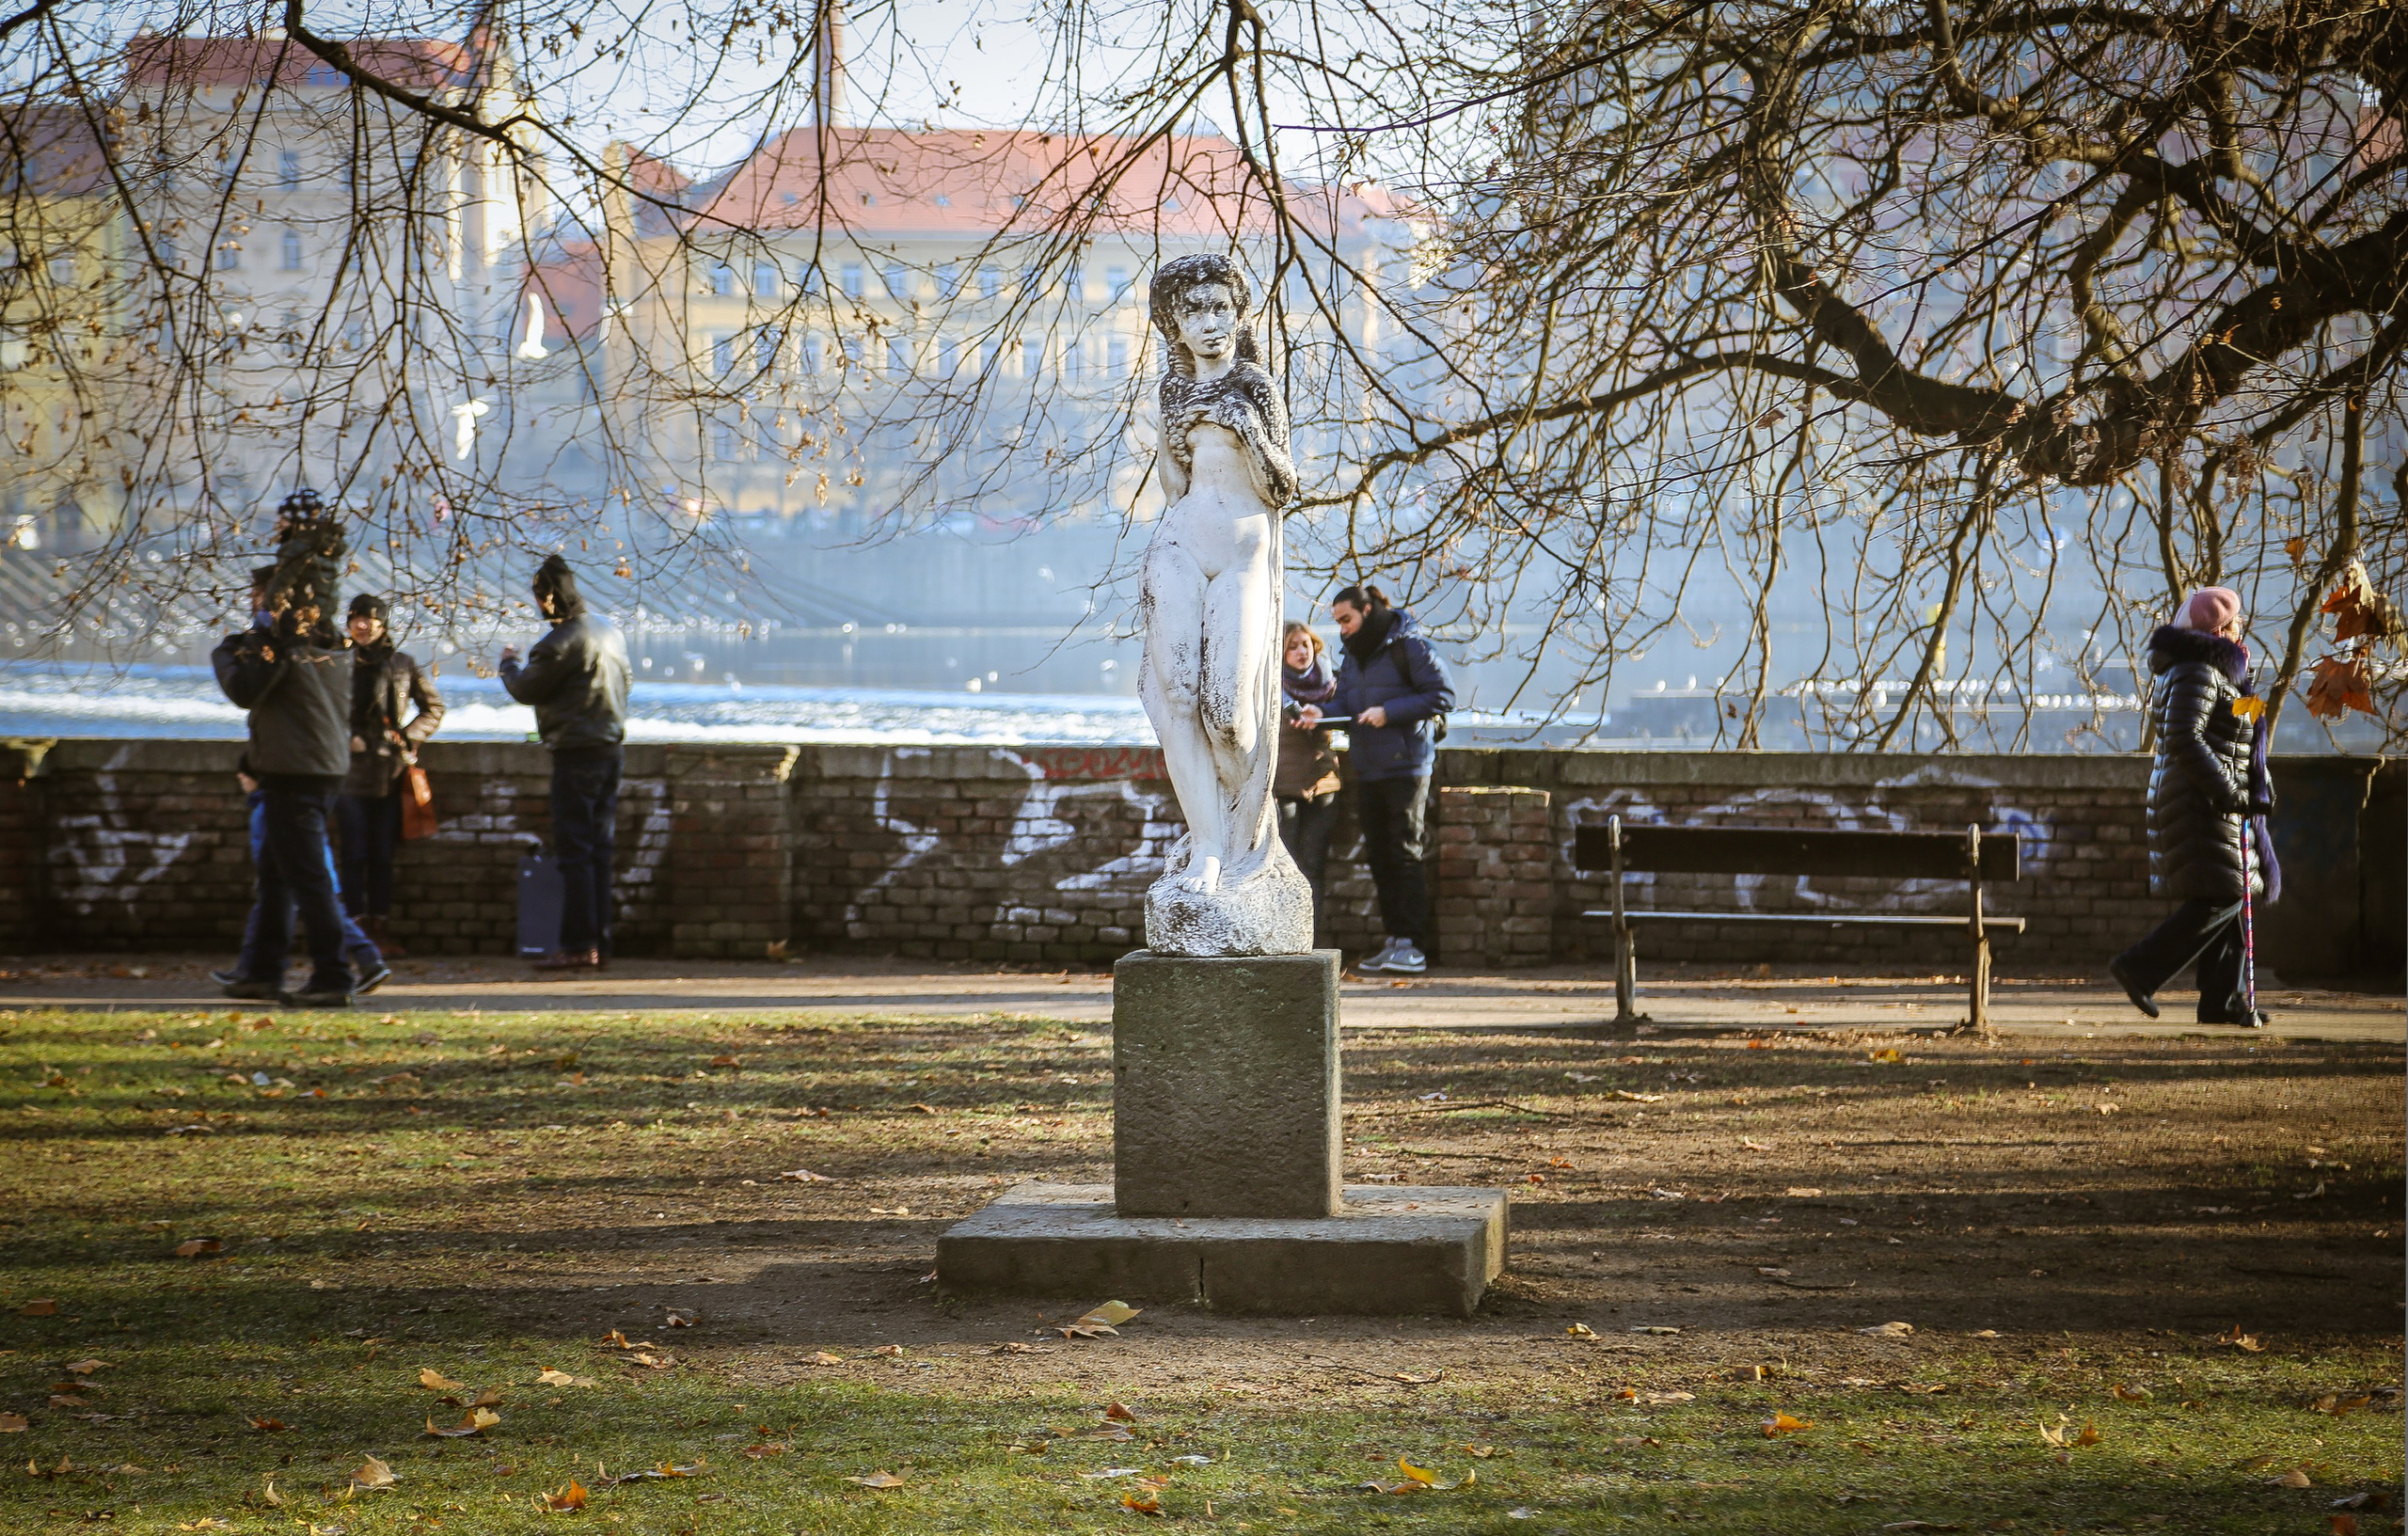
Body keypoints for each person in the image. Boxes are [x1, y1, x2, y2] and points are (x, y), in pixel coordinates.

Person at [2110, 586, 2279, 1027]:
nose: (2243, 626)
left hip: (2208, 798)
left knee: (2225, 894)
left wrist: (2257, 783)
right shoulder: (2198, 671)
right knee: (2224, 894)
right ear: (2220, 628)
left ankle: (2223, 1002)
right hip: (2201, 801)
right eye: (2237, 620)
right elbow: (2185, 737)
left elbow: (2240, 741)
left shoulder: (2219, 672)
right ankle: (2140, 967)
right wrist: (2228, 791)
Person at [210, 543, 358, 1006]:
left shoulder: (284, 646)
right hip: (315, 767)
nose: (255, 604)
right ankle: (261, 970)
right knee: (277, 876)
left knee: (309, 878)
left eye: (261, 596)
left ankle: (334, 976)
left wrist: (235, 649)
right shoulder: (327, 639)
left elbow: (246, 690)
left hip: (295, 772)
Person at [1300, 583, 1454, 974]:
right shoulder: (1353, 656)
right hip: (1367, 767)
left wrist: (1389, 711)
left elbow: (1443, 696)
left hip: (1407, 765)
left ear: (1367, 611)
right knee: (1380, 856)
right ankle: (1395, 941)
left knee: (1404, 851)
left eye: (1347, 620)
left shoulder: (1412, 647)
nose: (1343, 629)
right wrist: (1321, 712)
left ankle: (1413, 945)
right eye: (1337, 623)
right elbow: (1347, 704)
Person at [499, 555, 631, 972]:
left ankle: (577, 945)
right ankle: (601, 944)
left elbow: (526, 689)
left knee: (574, 852)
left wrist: (507, 664)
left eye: (539, 598)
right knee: (599, 851)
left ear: (549, 598)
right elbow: (626, 680)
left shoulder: (556, 644)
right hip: (611, 749)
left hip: (576, 754)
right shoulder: (609, 630)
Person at [212, 762, 390, 997]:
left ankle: (367, 959)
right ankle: (250, 969)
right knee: (304, 913)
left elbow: (276, 847)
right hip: (305, 874)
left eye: (245, 776)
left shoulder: (270, 809)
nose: (241, 779)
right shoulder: (274, 806)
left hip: (298, 875)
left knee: (300, 913)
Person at [339, 593, 444, 955]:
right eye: (357, 618)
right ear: (349, 622)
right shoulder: (336, 662)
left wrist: (408, 737)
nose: (363, 625)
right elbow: (318, 710)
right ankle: (354, 932)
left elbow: (433, 707)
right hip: (349, 772)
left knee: (382, 855)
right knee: (352, 854)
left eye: (371, 619)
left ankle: (379, 930)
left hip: (390, 772)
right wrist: (344, 738)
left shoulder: (402, 664)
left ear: (382, 624)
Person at [1275, 620, 1342, 923]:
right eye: (1292, 647)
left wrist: (1325, 716)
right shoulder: (1269, 686)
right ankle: (1283, 929)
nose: (1302, 652)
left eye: (1306, 644)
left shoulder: (1330, 683)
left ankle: (1311, 934)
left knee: (1315, 863)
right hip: (1282, 786)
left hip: (1323, 783)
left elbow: (1347, 716)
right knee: (1285, 864)